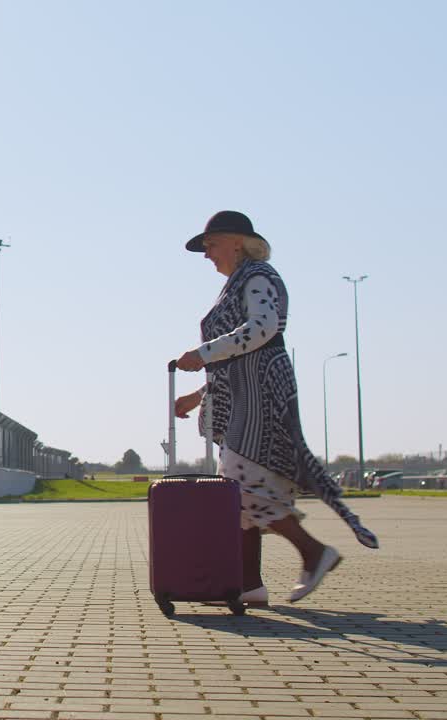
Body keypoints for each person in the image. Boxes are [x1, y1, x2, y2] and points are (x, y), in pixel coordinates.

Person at [173, 210, 378, 605]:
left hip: (263, 395)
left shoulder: (259, 278)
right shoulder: (237, 283)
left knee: (241, 489)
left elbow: (263, 328)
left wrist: (202, 353)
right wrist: (199, 394)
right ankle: (248, 585)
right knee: (238, 498)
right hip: (242, 395)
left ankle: (313, 552)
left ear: (237, 242)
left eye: (211, 244)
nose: (207, 254)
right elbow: (235, 356)